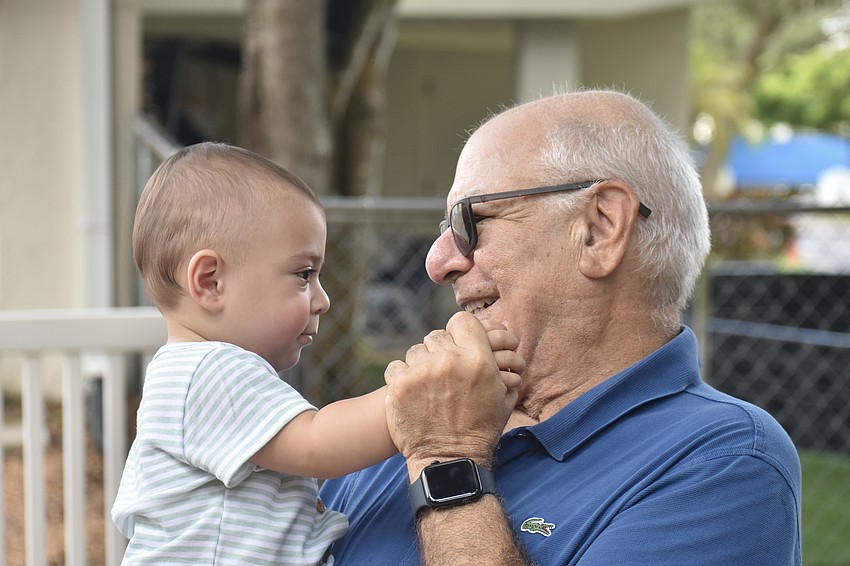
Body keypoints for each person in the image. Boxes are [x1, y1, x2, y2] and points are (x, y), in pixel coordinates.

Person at [321, 89, 802, 565]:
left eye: (472, 219)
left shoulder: (724, 462)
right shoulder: (415, 413)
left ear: (600, 228)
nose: (439, 261)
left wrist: (447, 461)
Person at [111, 142, 525, 564]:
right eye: (303, 274)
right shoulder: (207, 371)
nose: (322, 299)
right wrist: (429, 388)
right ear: (211, 281)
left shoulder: (197, 372)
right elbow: (318, 443)